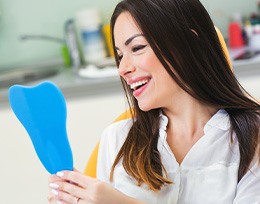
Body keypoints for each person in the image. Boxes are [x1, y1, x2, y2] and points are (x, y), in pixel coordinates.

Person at [48, 0, 260, 203]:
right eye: (120, 55)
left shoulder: (252, 139)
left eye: (137, 48)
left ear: (189, 45)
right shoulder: (117, 139)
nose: (123, 69)